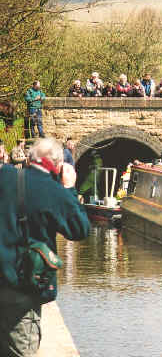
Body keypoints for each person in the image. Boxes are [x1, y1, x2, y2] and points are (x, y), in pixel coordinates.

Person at [0, 137, 90, 356]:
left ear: (29, 159)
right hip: (21, 289)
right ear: (58, 166)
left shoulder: (4, 175)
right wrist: (69, 188)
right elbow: (80, 230)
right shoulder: (54, 191)